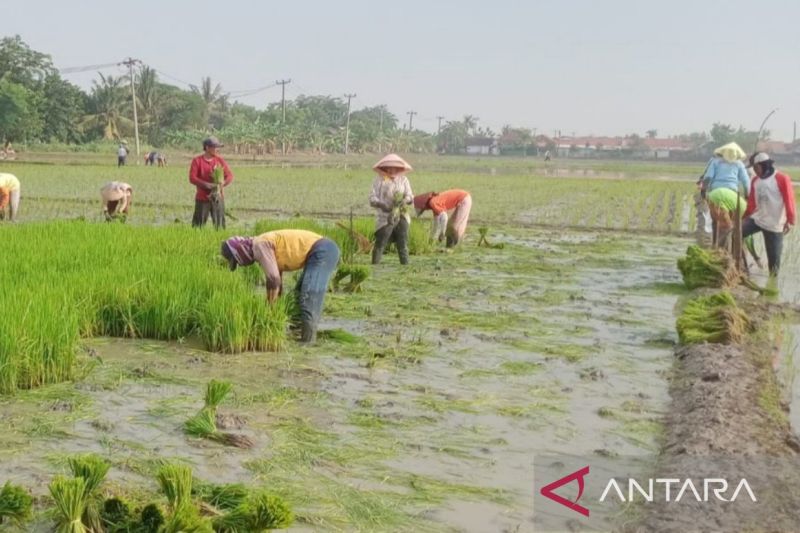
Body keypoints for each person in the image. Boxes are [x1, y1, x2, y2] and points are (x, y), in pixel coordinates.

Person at [221, 230, 340, 343]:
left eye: (237, 261)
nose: (241, 264)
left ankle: (308, 342)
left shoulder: (259, 245)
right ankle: (297, 332)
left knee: (308, 297)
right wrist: (274, 306)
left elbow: (273, 280)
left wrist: (269, 309)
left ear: (239, 250)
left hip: (323, 250)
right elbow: (277, 282)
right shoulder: (262, 246)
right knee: (297, 297)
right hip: (319, 251)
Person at [742, 152, 796, 275]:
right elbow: (751, 204)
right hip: (758, 219)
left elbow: (789, 200)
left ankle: (773, 283)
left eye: (756, 168)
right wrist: (743, 218)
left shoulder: (781, 178)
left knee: (774, 264)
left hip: (775, 224)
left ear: (764, 165)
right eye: (754, 169)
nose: (755, 171)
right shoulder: (755, 180)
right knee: (736, 232)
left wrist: (790, 221)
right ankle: (739, 263)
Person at [702, 142, 750, 247]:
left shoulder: (715, 162)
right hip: (732, 195)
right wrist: (747, 195)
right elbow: (746, 182)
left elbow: (708, 177)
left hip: (715, 193)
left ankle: (716, 244)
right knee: (731, 223)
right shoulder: (739, 164)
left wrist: (703, 191)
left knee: (716, 221)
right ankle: (728, 245)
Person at [368, 153, 414, 265]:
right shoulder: (379, 180)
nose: (392, 170)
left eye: (395, 167)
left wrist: (404, 201)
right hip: (384, 217)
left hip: (401, 215)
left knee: (402, 244)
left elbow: (410, 196)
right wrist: (382, 205)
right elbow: (372, 198)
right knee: (380, 244)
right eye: (389, 167)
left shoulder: (403, 180)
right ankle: (375, 267)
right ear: (385, 167)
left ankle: (405, 268)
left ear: (399, 168)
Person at [189, 136, 233, 229]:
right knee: (198, 226)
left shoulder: (220, 161)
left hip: (218, 197)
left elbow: (229, 175)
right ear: (207, 148)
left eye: (218, 147)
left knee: (220, 226)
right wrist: (207, 185)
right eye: (215, 147)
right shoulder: (197, 161)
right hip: (202, 198)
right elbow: (192, 178)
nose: (217, 149)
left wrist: (223, 183)